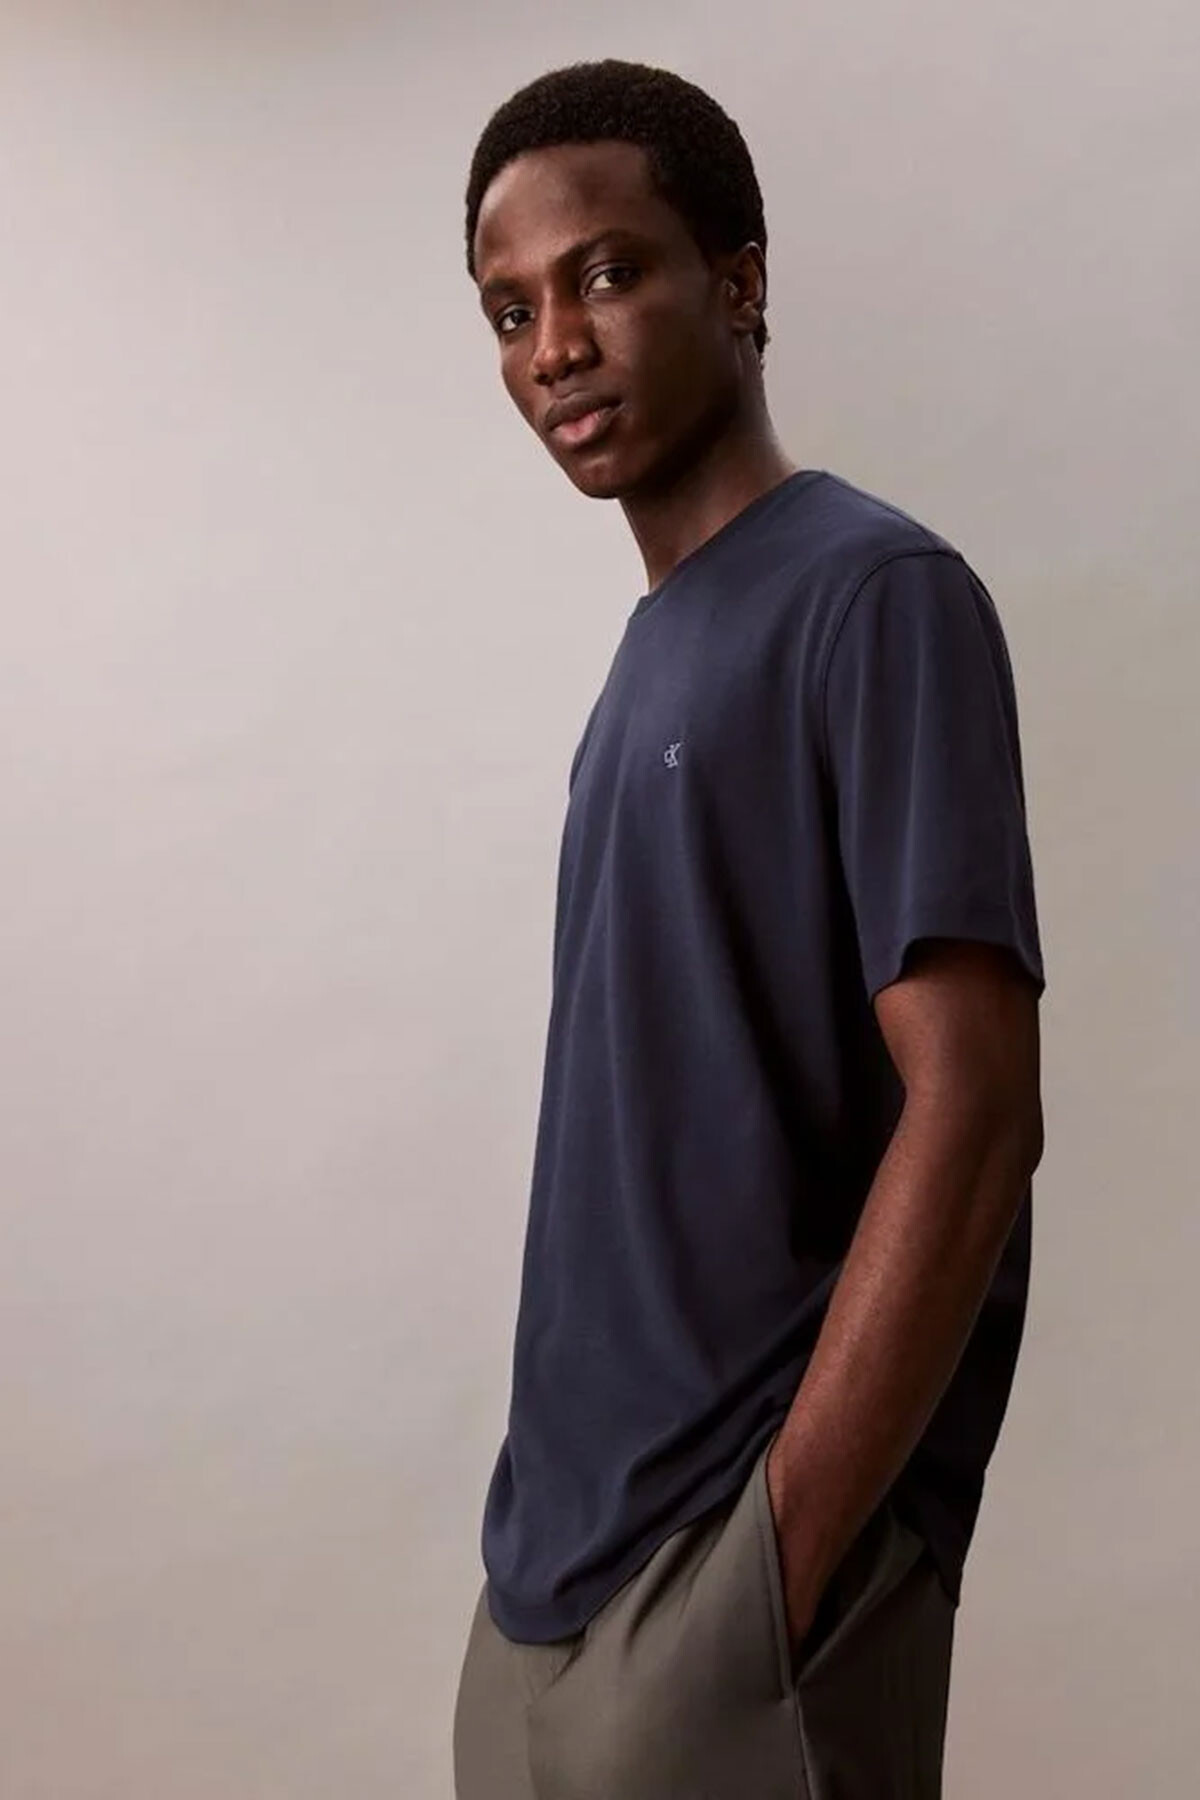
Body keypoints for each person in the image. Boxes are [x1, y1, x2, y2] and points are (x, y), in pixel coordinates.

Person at [451, 57, 1045, 1800]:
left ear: (740, 280)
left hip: (730, 1595)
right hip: (546, 1588)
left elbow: (977, 1107)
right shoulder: (648, 660)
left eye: (607, 273)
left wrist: (784, 1558)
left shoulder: (876, 594)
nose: (555, 345)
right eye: (510, 309)